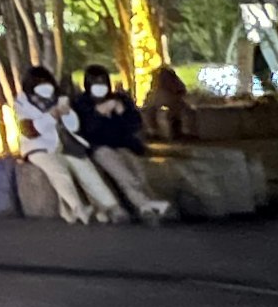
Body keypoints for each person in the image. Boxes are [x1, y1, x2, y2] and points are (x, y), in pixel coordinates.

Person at [16, 68, 124, 224]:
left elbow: (74, 127)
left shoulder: (59, 99)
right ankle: (77, 208)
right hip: (39, 148)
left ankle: (111, 207)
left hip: (66, 144)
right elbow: (29, 130)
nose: (45, 86)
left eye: (46, 82)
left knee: (86, 169)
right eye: (39, 83)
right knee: (59, 172)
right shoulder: (22, 103)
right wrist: (51, 116)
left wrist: (66, 113)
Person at [73, 68, 173, 222]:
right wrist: (99, 113)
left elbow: (134, 124)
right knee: (124, 175)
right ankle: (144, 206)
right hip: (100, 147)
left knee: (139, 174)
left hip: (123, 144)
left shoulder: (120, 99)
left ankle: (151, 204)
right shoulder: (82, 103)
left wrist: (121, 112)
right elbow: (85, 129)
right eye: (95, 83)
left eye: (103, 82)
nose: (100, 87)